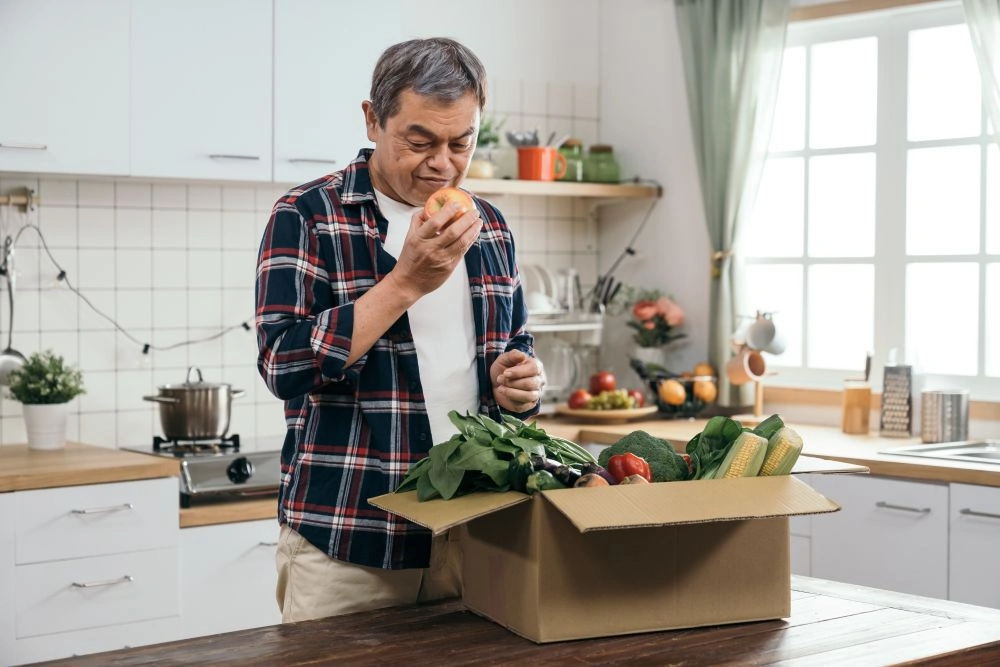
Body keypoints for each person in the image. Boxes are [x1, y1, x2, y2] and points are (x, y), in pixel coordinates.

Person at [255, 37, 545, 623]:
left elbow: (513, 347)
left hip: (475, 535)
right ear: (372, 118)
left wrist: (521, 383)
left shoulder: (487, 225)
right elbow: (283, 366)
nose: (442, 163)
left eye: (460, 143)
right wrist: (405, 283)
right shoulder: (308, 215)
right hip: (350, 542)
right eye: (420, 141)